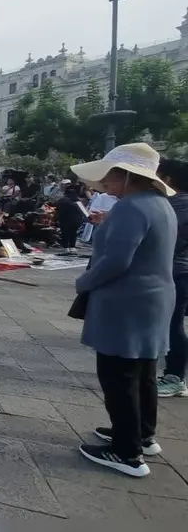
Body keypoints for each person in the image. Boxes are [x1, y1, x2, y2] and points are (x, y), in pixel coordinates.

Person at [70, 143, 176, 478]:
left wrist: (84, 281)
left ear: (127, 176)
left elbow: (116, 261)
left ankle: (126, 452)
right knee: (143, 371)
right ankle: (142, 434)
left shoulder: (131, 208)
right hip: (153, 298)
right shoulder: (160, 204)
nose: (105, 183)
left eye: (110, 176)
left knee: (118, 376)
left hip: (127, 301)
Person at [157, 159, 188, 398]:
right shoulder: (174, 204)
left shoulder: (180, 205)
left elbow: (171, 243)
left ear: (167, 179)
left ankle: (175, 377)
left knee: (172, 326)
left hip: (177, 272)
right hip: (174, 271)